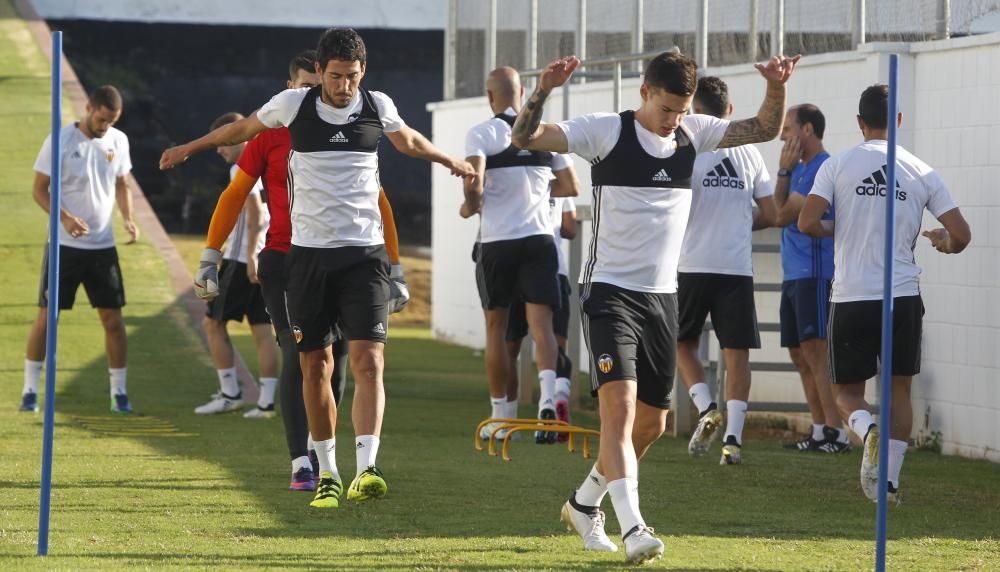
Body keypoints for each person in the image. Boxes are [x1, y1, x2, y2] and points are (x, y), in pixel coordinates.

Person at [160, 28, 474, 509]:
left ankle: (366, 468)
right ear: (319, 73)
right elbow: (241, 131)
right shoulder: (293, 107)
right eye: (335, 77)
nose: (343, 86)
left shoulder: (377, 105)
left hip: (364, 256)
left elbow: (408, 141)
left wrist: (448, 159)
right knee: (314, 366)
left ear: (362, 72)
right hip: (305, 258)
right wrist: (190, 147)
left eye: (351, 77)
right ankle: (323, 469)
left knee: (369, 360)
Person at [511, 51, 799, 563]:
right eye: (667, 109)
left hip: (663, 297)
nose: (675, 120)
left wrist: (777, 86)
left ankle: (583, 504)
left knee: (653, 425)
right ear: (645, 93)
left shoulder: (694, 133)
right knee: (618, 413)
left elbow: (763, 128)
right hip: (609, 292)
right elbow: (525, 138)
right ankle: (636, 529)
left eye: (683, 110)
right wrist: (542, 91)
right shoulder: (607, 132)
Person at [194, 50, 407, 492]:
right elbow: (235, 195)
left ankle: (322, 448)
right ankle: (301, 463)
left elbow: (378, 201)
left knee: (347, 357)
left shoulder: (352, 127)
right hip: (287, 260)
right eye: (311, 86)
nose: (323, 94)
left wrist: (397, 264)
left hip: (349, 256)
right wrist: (211, 255)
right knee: (303, 357)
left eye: (324, 85)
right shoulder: (270, 136)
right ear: (291, 89)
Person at [798, 84, 970, 503]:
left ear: (859, 122)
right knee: (899, 392)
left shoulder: (836, 165)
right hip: (902, 296)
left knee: (848, 394)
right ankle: (888, 485)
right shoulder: (922, 171)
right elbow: (962, 235)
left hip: (852, 294)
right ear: (899, 122)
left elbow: (805, 222)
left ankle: (864, 428)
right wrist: (942, 242)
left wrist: (833, 229)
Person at [460, 66, 580, 444]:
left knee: (497, 329)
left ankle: (501, 417)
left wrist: (470, 205)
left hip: (498, 241)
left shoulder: (481, 133)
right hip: (540, 240)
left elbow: (474, 186)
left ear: (489, 95)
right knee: (542, 327)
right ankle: (547, 398)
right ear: (523, 91)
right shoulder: (544, 130)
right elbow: (570, 186)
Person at [675, 76, 777, 465]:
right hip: (735, 268)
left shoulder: (687, 147)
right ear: (729, 112)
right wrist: (736, 222)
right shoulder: (750, 152)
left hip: (692, 263)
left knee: (682, 342)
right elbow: (770, 214)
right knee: (737, 356)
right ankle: (733, 440)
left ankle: (706, 408)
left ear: (693, 112)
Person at [21, 85, 139, 415]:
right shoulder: (59, 141)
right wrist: (65, 218)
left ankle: (119, 394)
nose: (105, 127)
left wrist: (128, 219)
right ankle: (30, 390)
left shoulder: (118, 141)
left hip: (103, 247)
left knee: (113, 320)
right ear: (88, 108)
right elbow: (39, 190)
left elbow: (121, 184)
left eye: (111, 121)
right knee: (47, 316)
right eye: (102, 119)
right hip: (64, 245)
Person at [773, 104, 851, 453]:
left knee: (816, 353)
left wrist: (782, 172)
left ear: (807, 129)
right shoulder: (799, 170)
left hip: (815, 274)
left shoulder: (823, 168)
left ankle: (837, 432)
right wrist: (786, 173)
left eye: (787, 128)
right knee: (797, 353)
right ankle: (818, 430)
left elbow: (779, 214)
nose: (782, 135)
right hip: (793, 273)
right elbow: (780, 210)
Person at [193, 112, 279, 420]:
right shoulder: (271, 159)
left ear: (239, 136)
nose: (219, 148)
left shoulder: (242, 168)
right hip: (266, 257)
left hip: (242, 259)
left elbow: (254, 213)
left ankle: (230, 393)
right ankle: (267, 403)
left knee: (212, 323)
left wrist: (251, 255)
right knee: (262, 330)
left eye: (224, 141)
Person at [503, 194, 578, 438]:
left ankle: (506, 418)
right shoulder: (562, 182)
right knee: (555, 345)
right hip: (556, 270)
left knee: (509, 346)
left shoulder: (520, 178)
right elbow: (570, 227)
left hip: (518, 269)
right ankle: (558, 398)